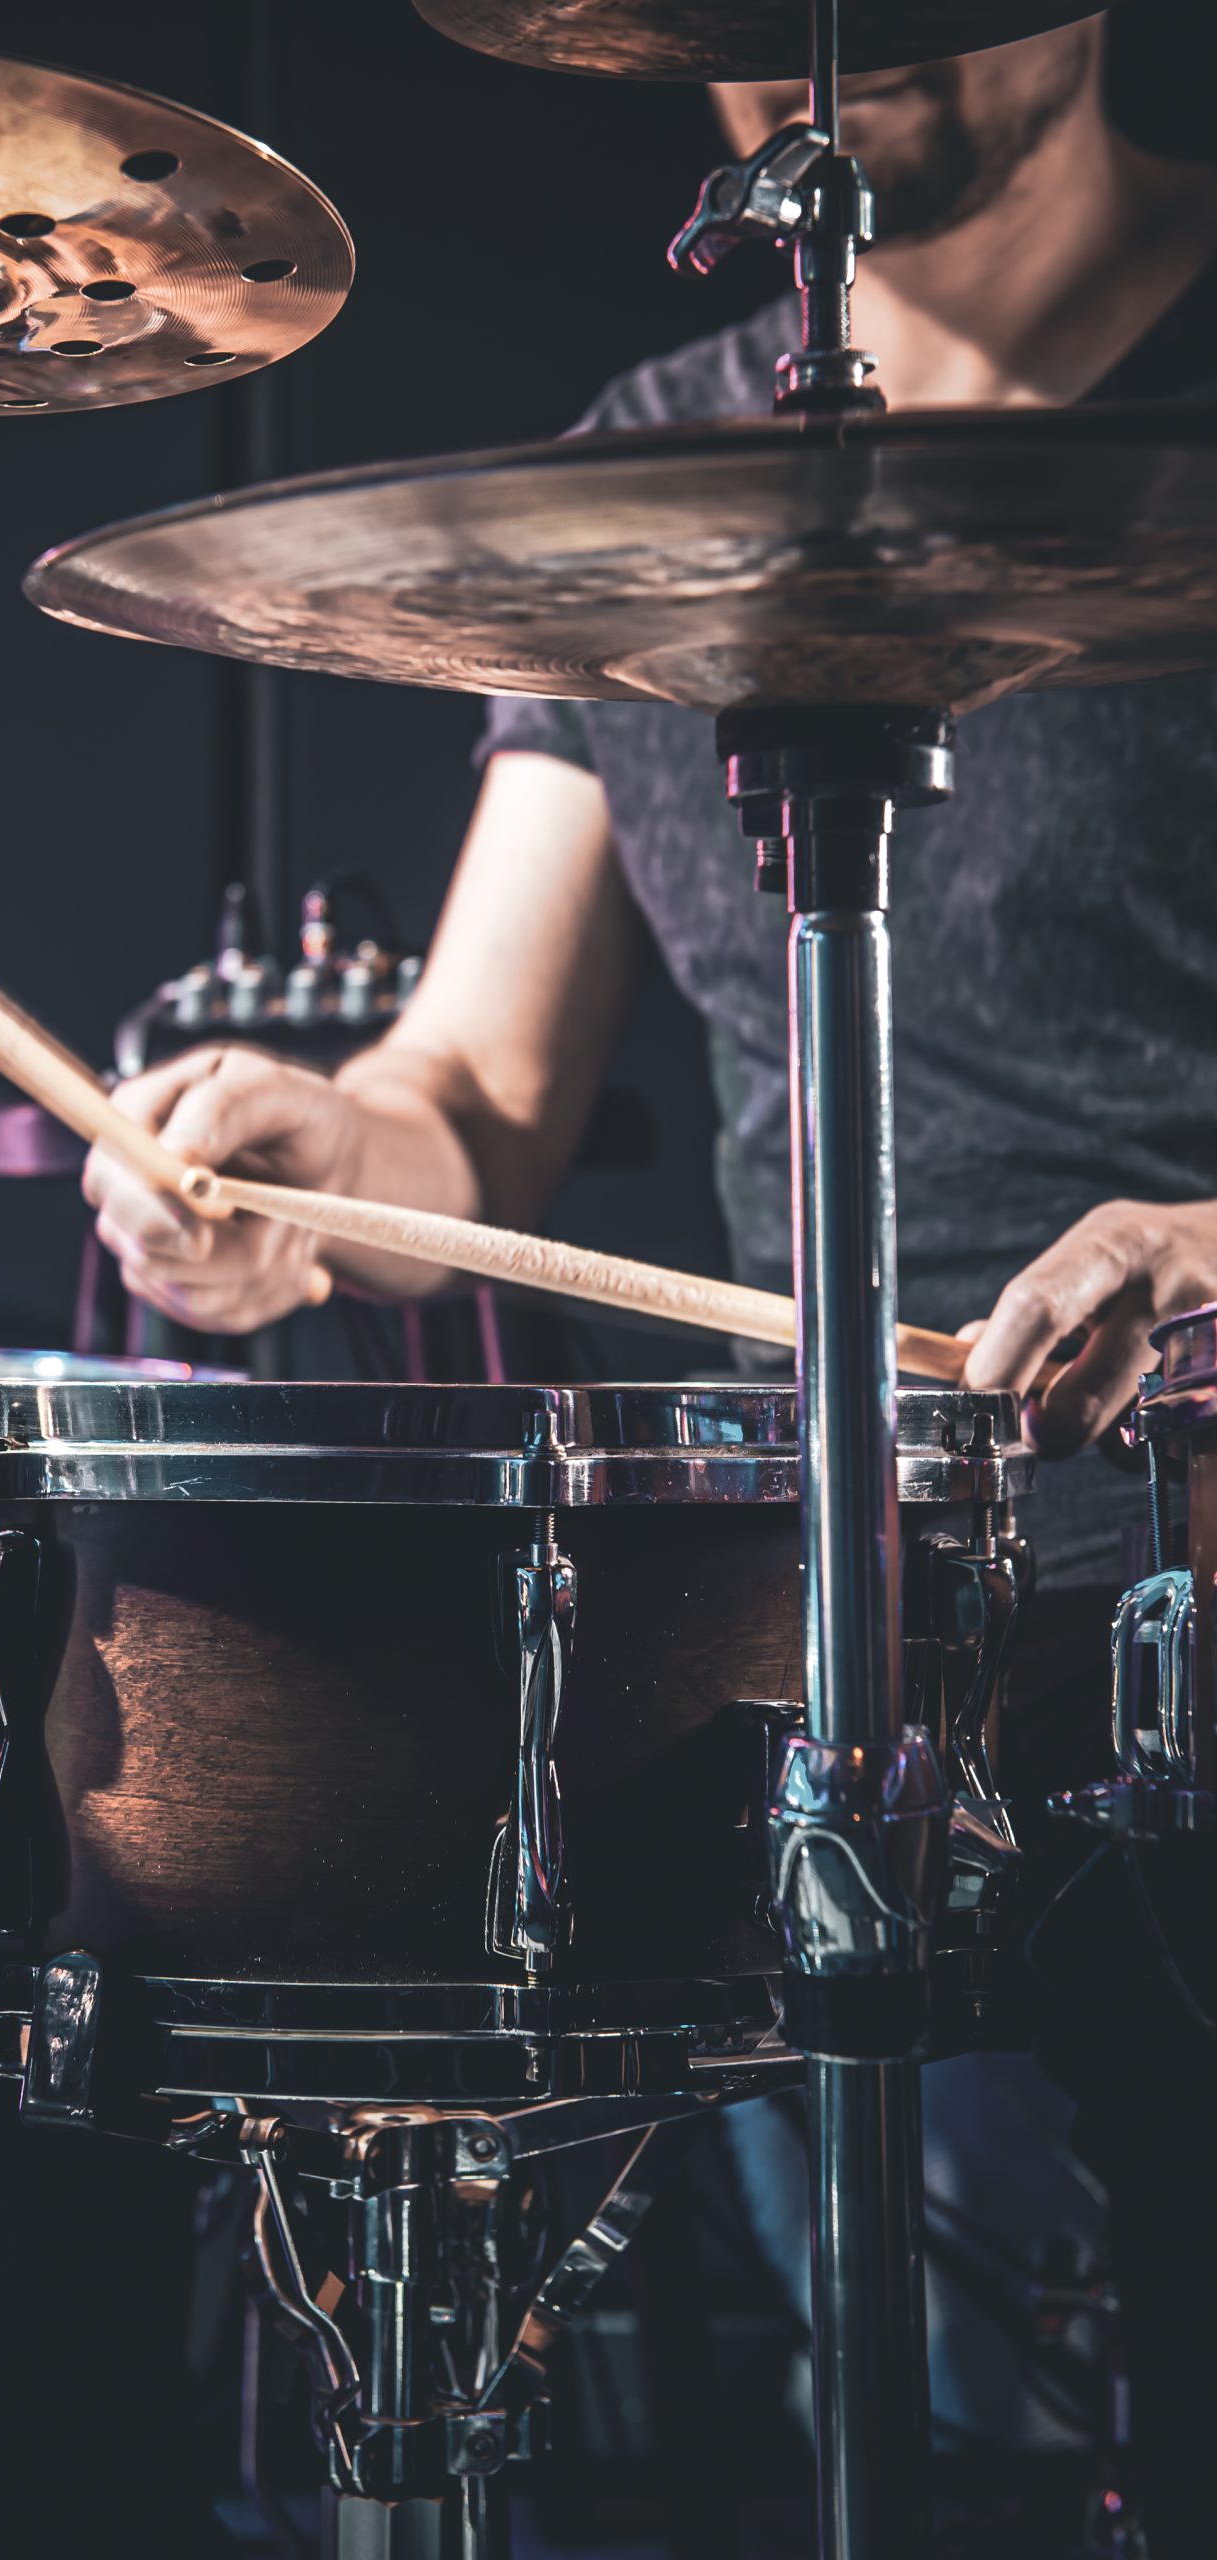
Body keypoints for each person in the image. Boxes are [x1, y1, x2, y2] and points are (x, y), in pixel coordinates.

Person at [82, 18, 1217, 2553]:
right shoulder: (655, 471)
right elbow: (470, 1088)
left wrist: (1195, 1248)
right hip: (828, 1581)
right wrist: (305, 1175)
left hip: (1191, 1536)